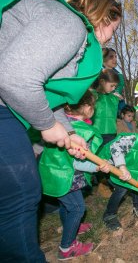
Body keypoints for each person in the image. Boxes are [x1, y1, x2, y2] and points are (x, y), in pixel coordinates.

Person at [0, 0, 121, 261]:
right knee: (20, 193)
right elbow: (13, 77)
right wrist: (46, 125)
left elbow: (45, 95)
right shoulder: (70, 24)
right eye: (113, 27)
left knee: (17, 191)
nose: (112, 36)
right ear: (102, 18)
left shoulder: (69, 33)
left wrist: (67, 131)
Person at [38, 90, 110, 260]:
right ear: (86, 107)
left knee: (67, 205)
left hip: (55, 172)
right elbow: (78, 162)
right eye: (92, 105)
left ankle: (71, 226)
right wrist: (98, 167)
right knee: (77, 208)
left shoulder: (61, 122)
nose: (94, 109)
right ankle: (67, 247)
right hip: (64, 175)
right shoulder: (81, 131)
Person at [92, 68, 120, 144]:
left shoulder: (114, 98)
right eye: (112, 85)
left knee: (108, 154)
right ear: (102, 82)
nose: (114, 88)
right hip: (96, 133)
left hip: (111, 133)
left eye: (115, 86)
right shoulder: (93, 96)